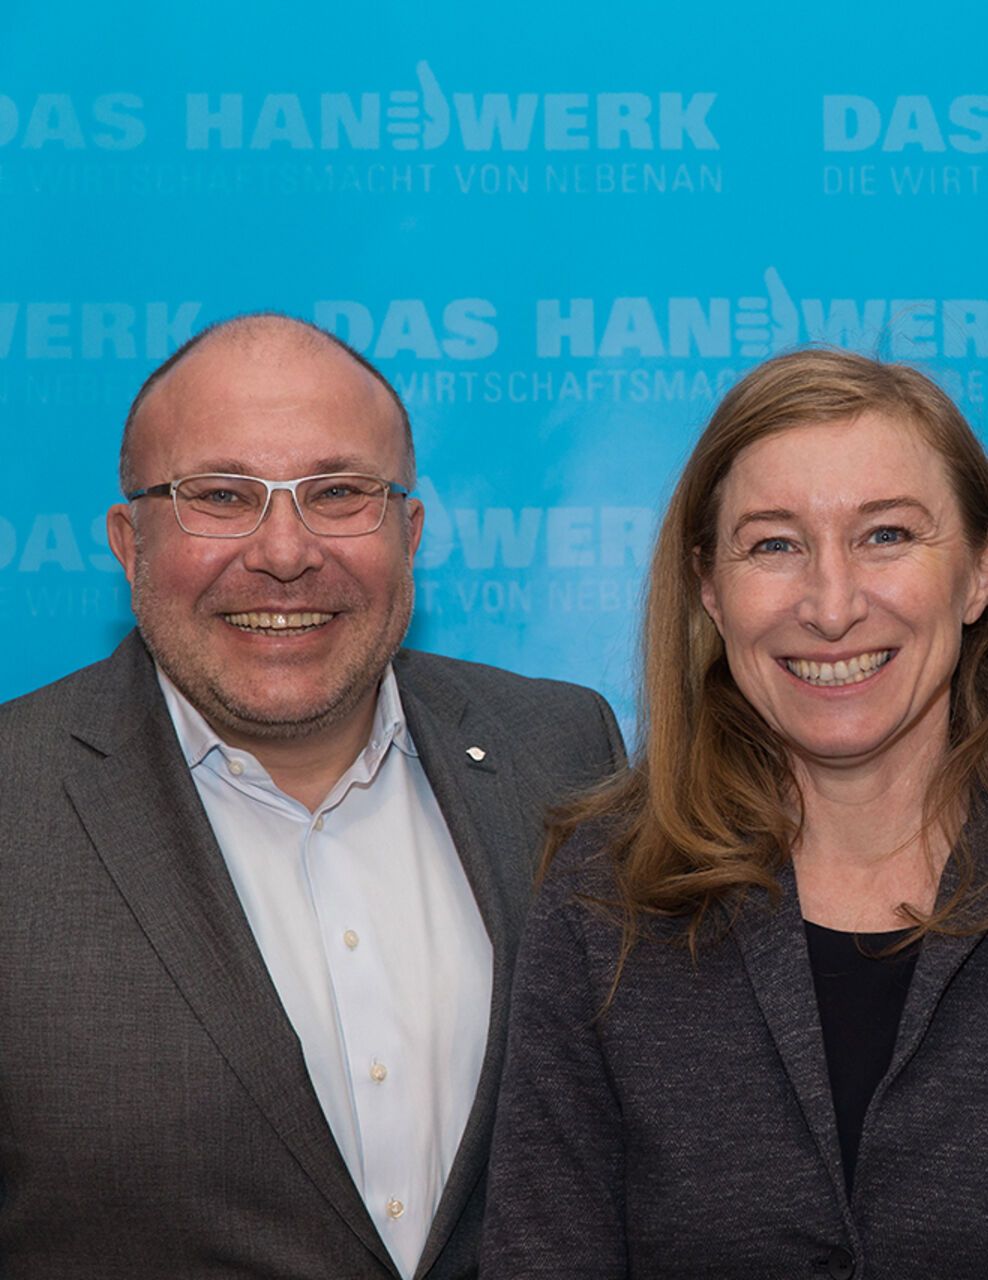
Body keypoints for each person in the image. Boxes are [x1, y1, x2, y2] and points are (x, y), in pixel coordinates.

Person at [481, 346, 988, 1278]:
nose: (831, 607)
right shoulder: (604, 904)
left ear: (982, 571)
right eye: (774, 545)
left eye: (886, 535)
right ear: (709, 588)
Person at [0, 313, 627, 1279]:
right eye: (221, 495)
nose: (285, 552)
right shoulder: (17, 798)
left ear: (409, 535)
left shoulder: (560, 750)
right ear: (130, 542)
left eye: (338, 494)